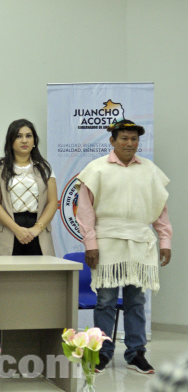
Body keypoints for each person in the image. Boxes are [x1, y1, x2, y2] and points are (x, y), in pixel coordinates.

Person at [76, 119, 172, 374]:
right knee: (105, 301)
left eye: (134, 139)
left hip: (141, 242)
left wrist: (165, 240)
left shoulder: (150, 170)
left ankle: (136, 353)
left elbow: (160, 210)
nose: (130, 143)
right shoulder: (96, 169)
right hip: (107, 242)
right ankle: (103, 352)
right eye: (124, 139)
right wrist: (90, 244)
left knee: (136, 300)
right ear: (112, 141)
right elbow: (84, 212)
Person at [0, 119, 57, 257]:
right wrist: (17, 230)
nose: (24, 140)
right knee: (4, 276)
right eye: (18, 136)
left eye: (28, 136)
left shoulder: (45, 168)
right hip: (7, 228)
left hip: (37, 231)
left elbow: (52, 203)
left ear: (34, 140)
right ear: (10, 141)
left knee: (38, 277)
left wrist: (37, 228)